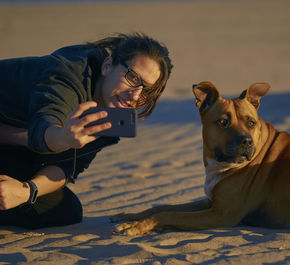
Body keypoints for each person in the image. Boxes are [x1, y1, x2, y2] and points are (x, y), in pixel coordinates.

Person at [0, 32, 173, 229]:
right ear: (108, 66)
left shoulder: (114, 109)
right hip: (31, 136)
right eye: (132, 77)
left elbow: (67, 167)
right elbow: (45, 125)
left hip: (15, 149)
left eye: (147, 90)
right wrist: (64, 138)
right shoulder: (66, 75)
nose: (135, 95)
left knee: (65, 211)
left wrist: (27, 190)